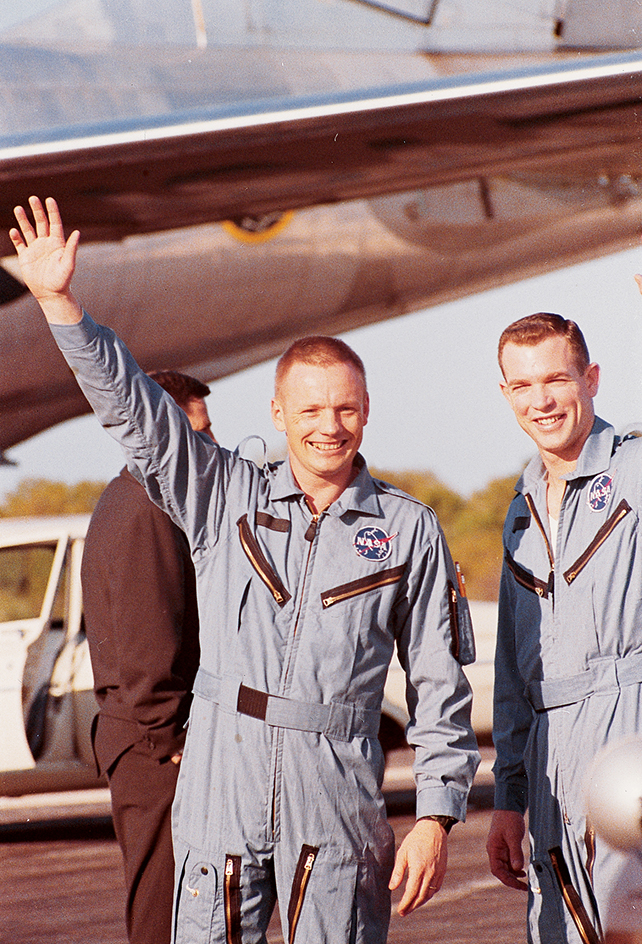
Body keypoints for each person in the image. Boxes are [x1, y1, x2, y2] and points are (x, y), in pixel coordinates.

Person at [10, 196, 480, 944]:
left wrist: (435, 816)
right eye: (311, 410)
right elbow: (134, 410)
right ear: (279, 411)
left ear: (366, 411)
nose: (329, 426)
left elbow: (437, 682)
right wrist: (60, 303)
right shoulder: (223, 493)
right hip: (221, 774)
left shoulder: (405, 529)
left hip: (335, 783)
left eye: (346, 409)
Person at [486, 310, 642, 944]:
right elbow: (512, 669)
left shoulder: (634, 472)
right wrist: (507, 797)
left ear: (593, 378)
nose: (541, 401)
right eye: (522, 386)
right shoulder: (520, 512)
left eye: (556, 379)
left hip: (629, 738)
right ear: (506, 394)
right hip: (550, 767)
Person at [81, 369, 215, 944]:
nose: (211, 446)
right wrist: (175, 742)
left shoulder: (136, 499)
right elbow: (146, 648)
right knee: (164, 908)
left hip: (146, 741)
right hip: (155, 748)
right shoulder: (146, 512)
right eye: (199, 433)